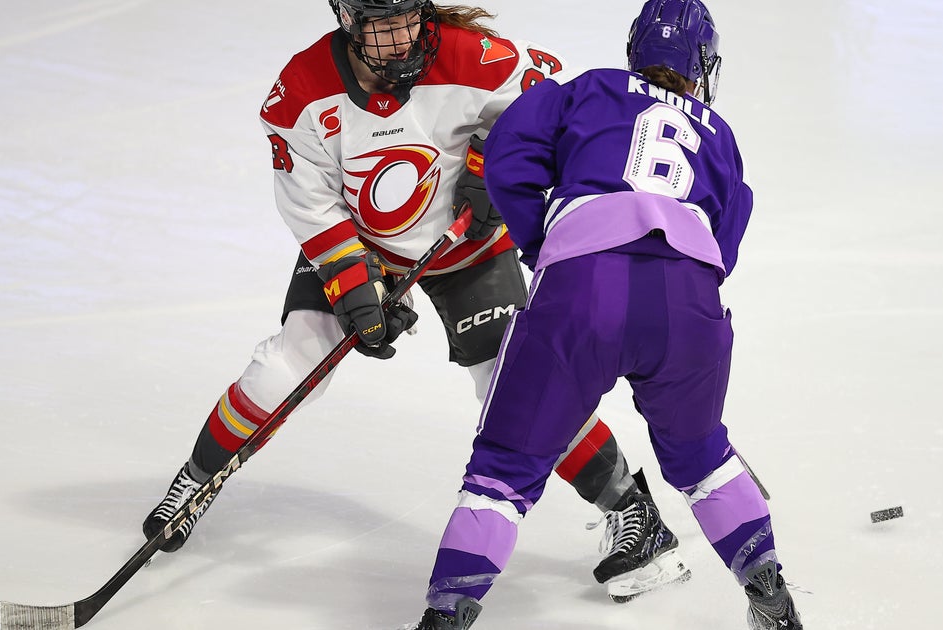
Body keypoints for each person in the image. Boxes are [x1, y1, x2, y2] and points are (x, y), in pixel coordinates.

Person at [140, 0, 691, 602]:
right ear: (347, 20)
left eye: (408, 16)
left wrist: (493, 162)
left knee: (515, 385)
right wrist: (353, 284)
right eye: (381, 22)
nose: (400, 36)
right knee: (285, 368)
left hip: (471, 247)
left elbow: (548, 112)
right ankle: (194, 483)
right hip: (363, 245)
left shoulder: (472, 57)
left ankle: (635, 514)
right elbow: (313, 206)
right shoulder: (300, 93)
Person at [407, 0, 805, 629]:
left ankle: (447, 614)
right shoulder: (720, 134)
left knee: (504, 472)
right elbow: (728, 234)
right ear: (702, 64)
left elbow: (510, 150)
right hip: (688, 306)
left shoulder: (588, 89)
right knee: (703, 457)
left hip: (582, 292)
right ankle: (771, 595)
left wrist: (545, 243)